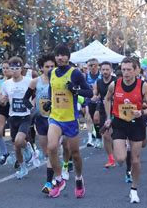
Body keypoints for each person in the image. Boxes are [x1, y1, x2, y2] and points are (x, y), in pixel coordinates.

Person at [104, 57, 147, 203]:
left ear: (136, 70)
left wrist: (143, 113)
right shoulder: (115, 84)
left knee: (135, 160)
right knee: (120, 159)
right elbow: (107, 99)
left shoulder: (142, 85)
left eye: (129, 70)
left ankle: (134, 189)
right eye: (123, 69)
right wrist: (108, 117)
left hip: (137, 124)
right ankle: (126, 146)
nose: (125, 73)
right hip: (119, 123)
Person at [46, 44, 93, 198]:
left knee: (75, 153)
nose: (60, 58)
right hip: (55, 117)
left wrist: (75, 90)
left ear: (68, 57)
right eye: (57, 55)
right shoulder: (52, 72)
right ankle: (59, 179)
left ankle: (79, 179)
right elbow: (51, 90)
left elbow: (89, 92)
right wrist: (48, 102)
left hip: (71, 119)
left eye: (63, 55)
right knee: (51, 147)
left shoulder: (76, 73)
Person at [23, 55, 56, 193]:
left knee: (53, 148)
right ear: (41, 68)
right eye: (47, 66)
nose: (49, 69)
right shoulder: (35, 82)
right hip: (41, 119)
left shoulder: (58, 81)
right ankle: (55, 168)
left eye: (52, 66)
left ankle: (50, 181)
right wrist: (31, 108)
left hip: (56, 119)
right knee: (46, 151)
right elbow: (26, 98)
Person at [0, 56, 34, 180]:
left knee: (19, 141)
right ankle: (23, 167)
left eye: (16, 68)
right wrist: (2, 101)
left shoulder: (29, 81)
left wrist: (33, 104)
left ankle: (28, 147)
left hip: (25, 116)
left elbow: (35, 95)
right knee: (16, 146)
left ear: (21, 69)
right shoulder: (6, 84)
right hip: (13, 116)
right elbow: (2, 99)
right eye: (11, 68)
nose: (14, 71)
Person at [93, 61, 117, 168]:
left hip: (116, 110)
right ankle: (111, 158)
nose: (105, 72)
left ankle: (122, 148)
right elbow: (96, 95)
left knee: (115, 134)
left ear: (111, 70)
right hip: (104, 110)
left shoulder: (116, 81)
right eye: (103, 70)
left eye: (107, 69)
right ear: (100, 70)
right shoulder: (98, 82)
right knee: (106, 135)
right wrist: (94, 98)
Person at [0, 60, 12, 165]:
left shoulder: (16, 81)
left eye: (7, 68)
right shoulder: (0, 81)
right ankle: (4, 153)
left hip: (14, 108)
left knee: (16, 135)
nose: (5, 70)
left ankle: (29, 151)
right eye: (4, 68)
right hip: (2, 107)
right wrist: (1, 100)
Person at [84, 58, 102, 148]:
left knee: (97, 119)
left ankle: (98, 137)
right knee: (88, 118)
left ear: (98, 66)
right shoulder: (85, 76)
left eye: (95, 65)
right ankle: (91, 137)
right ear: (88, 67)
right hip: (89, 100)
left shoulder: (102, 75)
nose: (93, 67)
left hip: (100, 100)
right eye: (90, 65)